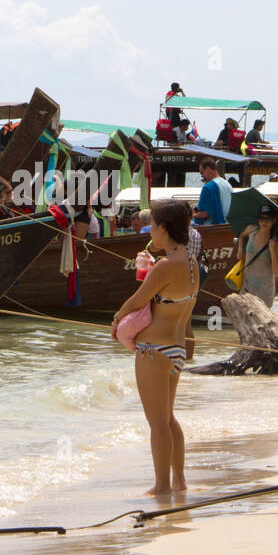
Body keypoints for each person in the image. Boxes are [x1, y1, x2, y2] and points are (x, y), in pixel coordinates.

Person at [112, 201, 197, 496]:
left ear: (163, 229)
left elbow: (138, 299)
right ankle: (179, 481)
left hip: (154, 350)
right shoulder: (190, 262)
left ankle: (162, 486)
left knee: (158, 422)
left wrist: (117, 318)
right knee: (168, 418)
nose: (150, 233)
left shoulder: (165, 265)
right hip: (175, 349)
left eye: (152, 228)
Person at [236, 203, 278, 307]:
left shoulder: (275, 243)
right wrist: (240, 249)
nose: (264, 222)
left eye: (268, 219)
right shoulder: (251, 229)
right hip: (247, 286)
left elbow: (277, 272)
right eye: (261, 218)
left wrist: (272, 251)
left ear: (274, 220)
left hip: (264, 292)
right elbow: (241, 236)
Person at [192, 158, 231, 226]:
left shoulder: (208, 187)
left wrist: (192, 215)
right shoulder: (227, 185)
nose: (202, 177)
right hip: (227, 225)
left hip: (213, 226)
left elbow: (204, 214)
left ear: (208, 169)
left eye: (202, 173)